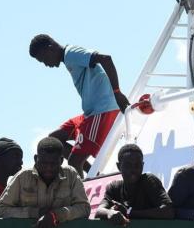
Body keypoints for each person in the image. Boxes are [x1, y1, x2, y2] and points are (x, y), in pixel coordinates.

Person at [29, 34, 128, 175]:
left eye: (44, 59)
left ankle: (81, 194)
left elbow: (106, 59)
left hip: (102, 111)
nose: (46, 64)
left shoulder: (71, 53)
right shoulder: (68, 58)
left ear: (50, 48)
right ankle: (95, 173)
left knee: (75, 162)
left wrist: (117, 92)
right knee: (53, 140)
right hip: (89, 113)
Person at [0, 137, 90, 228]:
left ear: (61, 160)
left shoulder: (71, 175)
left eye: (53, 164)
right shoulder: (22, 177)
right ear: (36, 159)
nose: (48, 168)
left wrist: (56, 215)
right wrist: (35, 212)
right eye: (44, 163)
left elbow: (84, 208)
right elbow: (0, 210)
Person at [95, 144, 173, 225]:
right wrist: (109, 213)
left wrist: (129, 213)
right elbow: (99, 211)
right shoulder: (114, 188)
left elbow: (168, 211)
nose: (133, 170)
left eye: (137, 165)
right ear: (118, 166)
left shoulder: (149, 181)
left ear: (143, 165)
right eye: (128, 165)